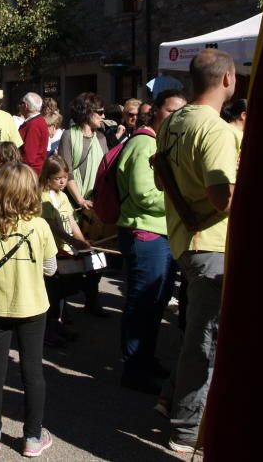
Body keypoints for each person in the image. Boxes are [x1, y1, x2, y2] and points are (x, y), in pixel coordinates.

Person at [155, 49, 238, 453]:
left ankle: (171, 400)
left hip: (185, 240)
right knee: (204, 341)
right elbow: (223, 197)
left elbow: (161, 179)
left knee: (195, 332)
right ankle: (187, 428)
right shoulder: (216, 129)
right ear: (227, 79)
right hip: (212, 246)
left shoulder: (172, 122)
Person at [0, 162, 58, 457]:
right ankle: (32, 436)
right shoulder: (40, 226)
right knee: (32, 371)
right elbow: (51, 269)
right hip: (32, 307)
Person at [116, 89, 187, 394]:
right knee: (143, 301)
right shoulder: (144, 144)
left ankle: (145, 358)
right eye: (171, 111)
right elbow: (144, 194)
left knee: (157, 301)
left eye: (182, 112)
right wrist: (183, 198)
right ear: (155, 110)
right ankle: (134, 367)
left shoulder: (160, 142)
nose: (176, 117)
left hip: (162, 232)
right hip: (146, 233)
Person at [57, 92, 109, 316]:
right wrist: (79, 199)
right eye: (99, 111)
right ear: (87, 112)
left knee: (95, 253)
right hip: (74, 203)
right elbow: (64, 171)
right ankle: (62, 306)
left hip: (95, 205)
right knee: (71, 254)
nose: (103, 115)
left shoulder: (101, 137)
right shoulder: (69, 135)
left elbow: (106, 170)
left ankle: (92, 298)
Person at [38, 155, 93, 347]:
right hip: (49, 251)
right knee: (51, 292)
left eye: (65, 177)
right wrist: (70, 240)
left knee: (63, 290)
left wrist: (81, 241)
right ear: (47, 178)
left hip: (63, 250)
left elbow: (71, 221)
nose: (63, 182)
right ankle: (47, 331)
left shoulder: (62, 197)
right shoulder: (43, 197)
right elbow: (49, 226)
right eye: (58, 178)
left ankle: (57, 324)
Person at [18, 92, 49, 175]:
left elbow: (29, 156)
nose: (19, 106)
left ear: (26, 105)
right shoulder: (37, 121)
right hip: (33, 172)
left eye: (21, 103)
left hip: (30, 174)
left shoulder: (33, 125)